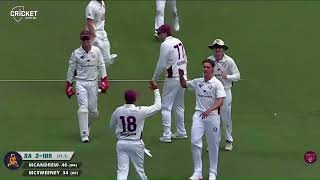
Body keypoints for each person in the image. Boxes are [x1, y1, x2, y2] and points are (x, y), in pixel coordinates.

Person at [179, 59, 226, 180]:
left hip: (213, 117)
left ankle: (212, 173)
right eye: (204, 67)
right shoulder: (197, 81)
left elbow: (221, 100)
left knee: (213, 145)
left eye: (208, 67)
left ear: (212, 69)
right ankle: (197, 172)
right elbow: (184, 84)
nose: (205, 69)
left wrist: (210, 110)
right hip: (199, 115)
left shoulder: (217, 84)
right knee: (195, 141)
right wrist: (180, 75)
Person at [110, 81, 161, 180]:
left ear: (125, 99)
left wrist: (119, 135)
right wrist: (156, 90)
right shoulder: (140, 111)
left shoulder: (118, 110)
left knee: (122, 171)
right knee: (139, 170)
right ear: (135, 99)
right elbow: (157, 107)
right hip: (136, 143)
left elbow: (112, 125)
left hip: (121, 143)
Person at [65, 30, 109, 143]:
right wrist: (69, 84)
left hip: (93, 83)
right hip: (80, 83)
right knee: (83, 109)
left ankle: (86, 124)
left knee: (94, 112)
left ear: (91, 39)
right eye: (84, 39)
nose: (86, 41)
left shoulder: (97, 51)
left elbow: (101, 65)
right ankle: (84, 134)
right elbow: (71, 69)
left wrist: (104, 79)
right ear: (81, 40)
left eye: (87, 39)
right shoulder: (76, 53)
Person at [152, 24, 187, 143]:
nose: (159, 35)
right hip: (182, 77)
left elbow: (161, 64)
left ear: (165, 33)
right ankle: (181, 131)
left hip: (172, 78)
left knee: (166, 107)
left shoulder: (165, 44)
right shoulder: (179, 41)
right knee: (179, 106)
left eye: (160, 33)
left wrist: (154, 79)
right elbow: (185, 59)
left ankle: (167, 134)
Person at [207, 39, 240, 151]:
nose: (217, 49)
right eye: (215, 47)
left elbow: (237, 76)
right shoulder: (209, 60)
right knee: (212, 117)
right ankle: (213, 142)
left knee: (225, 117)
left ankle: (229, 140)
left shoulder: (229, 61)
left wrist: (228, 77)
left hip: (225, 91)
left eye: (219, 47)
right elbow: (205, 73)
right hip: (212, 92)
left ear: (223, 49)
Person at [86, 0, 117, 66]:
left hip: (103, 33)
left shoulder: (102, 2)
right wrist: (94, 37)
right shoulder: (91, 6)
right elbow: (89, 23)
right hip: (94, 34)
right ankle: (78, 73)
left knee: (107, 61)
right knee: (90, 61)